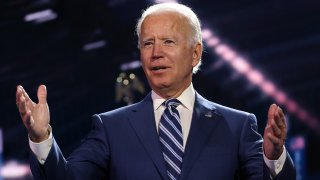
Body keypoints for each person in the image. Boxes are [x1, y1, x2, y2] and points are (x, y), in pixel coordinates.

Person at [16, 3, 295, 180]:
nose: (156, 53)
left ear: (195, 53)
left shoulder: (237, 126)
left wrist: (274, 157)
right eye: (147, 43)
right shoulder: (111, 127)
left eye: (168, 42)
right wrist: (41, 139)